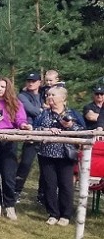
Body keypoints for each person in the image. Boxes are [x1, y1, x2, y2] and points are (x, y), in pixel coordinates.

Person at [0, 76, 32, 220]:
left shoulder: (16, 103)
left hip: (9, 141)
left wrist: (23, 125)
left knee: (8, 176)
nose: (0, 89)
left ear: (7, 88)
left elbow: (21, 120)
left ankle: (9, 205)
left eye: (2, 87)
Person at [34, 86, 84, 226]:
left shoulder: (72, 113)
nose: (49, 97)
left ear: (63, 98)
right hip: (46, 155)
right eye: (48, 95)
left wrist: (70, 126)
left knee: (66, 185)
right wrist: (46, 129)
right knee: (49, 185)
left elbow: (83, 131)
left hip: (65, 155)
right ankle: (53, 213)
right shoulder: (44, 114)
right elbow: (34, 128)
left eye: (53, 95)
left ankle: (66, 215)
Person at [15, 72, 46, 202]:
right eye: (28, 80)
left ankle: (42, 195)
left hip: (45, 133)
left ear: (39, 82)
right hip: (31, 133)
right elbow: (31, 110)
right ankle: (16, 191)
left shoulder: (44, 95)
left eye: (33, 81)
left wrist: (42, 109)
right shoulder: (22, 96)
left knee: (46, 167)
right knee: (25, 164)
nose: (30, 83)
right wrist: (44, 109)